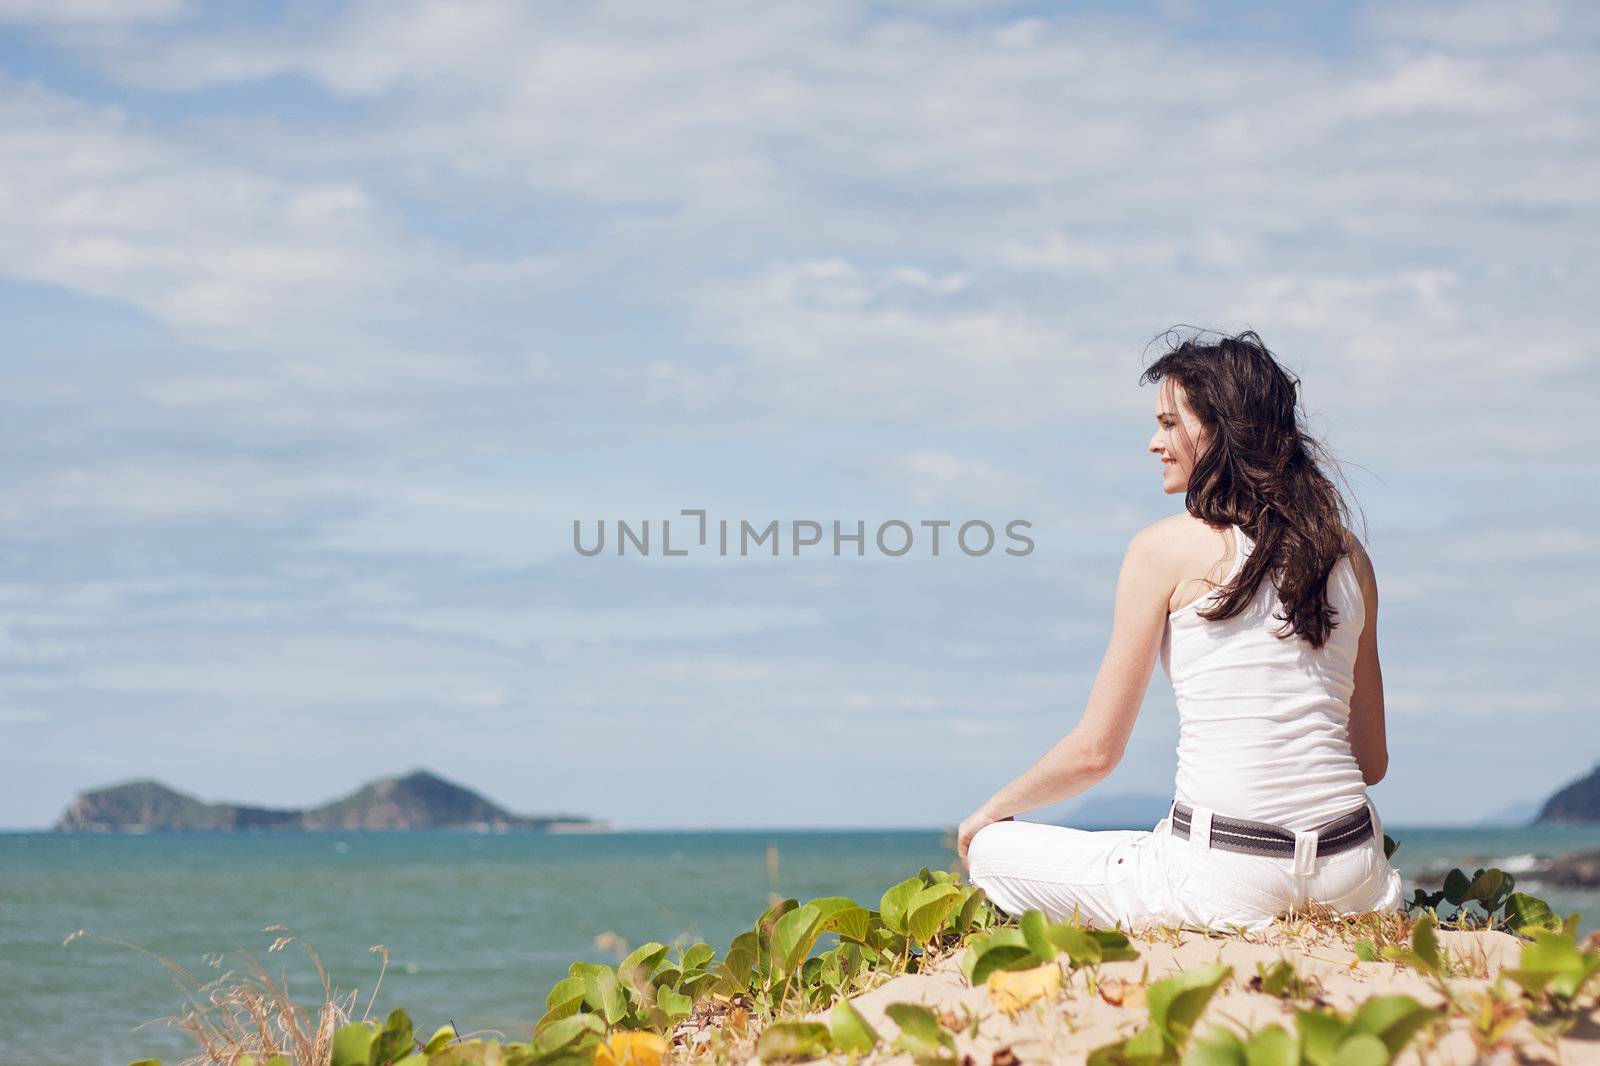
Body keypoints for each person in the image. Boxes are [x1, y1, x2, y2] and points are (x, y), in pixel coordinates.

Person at [958, 328, 1404, 933]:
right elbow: (1369, 761)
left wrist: (990, 812)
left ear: (1217, 429)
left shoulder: (1162, 549)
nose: (1154, 442)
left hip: (1227, 875)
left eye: (1169, 424)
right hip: (1354, 875)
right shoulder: (1348, 556)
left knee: (992, 850)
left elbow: (1095, 753)